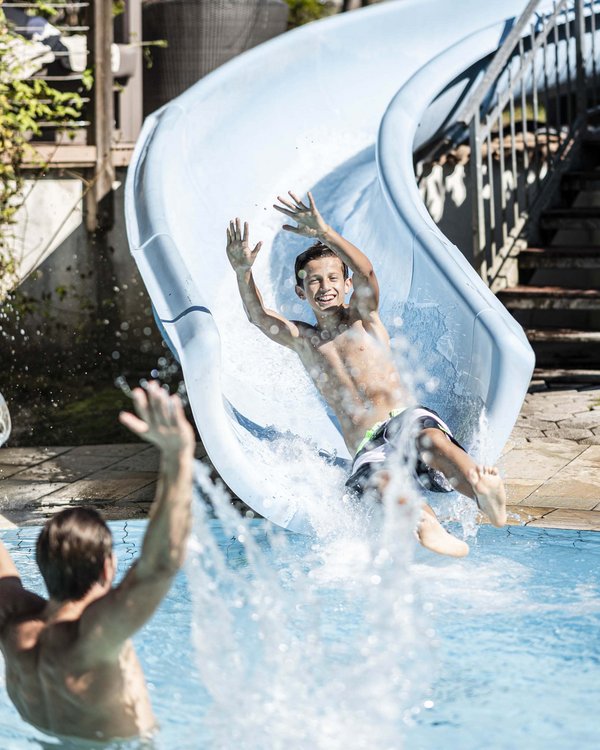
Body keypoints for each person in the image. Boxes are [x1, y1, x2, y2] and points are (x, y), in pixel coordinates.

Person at [226, 191, 507, 557]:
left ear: (346, 287)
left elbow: (367, 272)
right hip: (367, 447)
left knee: (432, 442)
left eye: (332, 278)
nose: (324, 286)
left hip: (403, 421)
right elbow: (260, 318)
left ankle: (480, 485)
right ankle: (425, 523)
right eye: (313, 281)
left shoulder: (365, 319)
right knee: (383, 479)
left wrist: (326, 233)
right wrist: (243, 272)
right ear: (300, 291)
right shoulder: (305, 340)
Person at [0, 381, 195, 743]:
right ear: (108, 568)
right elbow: (160, 564)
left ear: (42, 566)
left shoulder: (13, 623)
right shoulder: (95, 637)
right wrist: (177, 456)